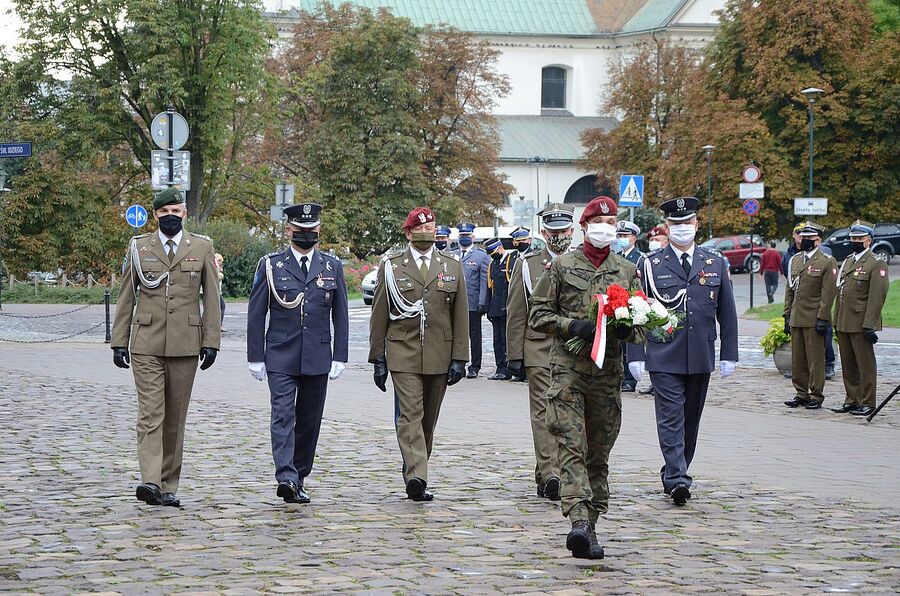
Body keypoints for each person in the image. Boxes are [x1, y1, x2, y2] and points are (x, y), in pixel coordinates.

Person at [529, 195, 644, 560]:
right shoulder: (562, 266)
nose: (605, 229)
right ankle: (577, 519)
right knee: (571, 444)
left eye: (611, 224)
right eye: (599, 223)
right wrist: (571, 325)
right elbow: (539, 316)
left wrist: (627, 329)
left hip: (607, 375)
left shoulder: (626, 270)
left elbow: (642, 321)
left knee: (599, 451)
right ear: (584, 227)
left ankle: (591, 525)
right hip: (568, 372)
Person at [111, 187, 221, 508]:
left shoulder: (201, 247)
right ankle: (150, 481)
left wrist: (211, 341)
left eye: (176, 212)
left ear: (185, 213)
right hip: (145, 342)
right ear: (155, 214)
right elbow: (127, 295)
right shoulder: (139, 248)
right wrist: (120, 341)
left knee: (175, 417)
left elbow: (211, 299)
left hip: (186, 344)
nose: (170, 217)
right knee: (150, 413)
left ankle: (169, 485)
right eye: (164, 212)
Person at [627, 196, 738, 507]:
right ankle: (678, 478)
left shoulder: (714, 262)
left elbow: (726, 312)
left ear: (697, 224)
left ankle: (675, 469)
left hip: (700, 353)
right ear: (666, 227)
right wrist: (635, 354)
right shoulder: (651, 264)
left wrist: (729, 353)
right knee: (670, 417)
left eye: (686, 223)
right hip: (664, 353)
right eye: (675, 224)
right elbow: (636, 310)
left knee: (691, 419)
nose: (681, 228)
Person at [246, 203, 349, 504]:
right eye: (301, 231)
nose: (307, 236)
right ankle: (286, 476)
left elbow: (340, 315)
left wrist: (339, 355)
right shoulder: (271, 264)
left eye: (312, 231)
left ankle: (300, 475)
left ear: (319, 231)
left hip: (317, 355)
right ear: (289, 231)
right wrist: (255, 356)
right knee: (282, 414)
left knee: (309, 420)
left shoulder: (331, 266)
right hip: (280, 353)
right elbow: (256, 313)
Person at [369, 207, 469, 501]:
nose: (427, 233)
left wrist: (460, 358)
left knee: (427, 421)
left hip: (440, 351)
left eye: (432, 228)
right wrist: (378, 358)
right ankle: (417, 476)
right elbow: (379, 315)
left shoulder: (451, 265)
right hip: (403, 351)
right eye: (420, 229)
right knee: (410, 414)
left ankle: (414, 465)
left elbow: (460, 315)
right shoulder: (392, 266)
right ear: (409, 232)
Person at [506, 203, 574, 501]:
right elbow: (516, 311)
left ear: (572, 231)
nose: (558, 236)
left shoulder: (581, 260)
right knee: (544, 413)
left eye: (563, 231)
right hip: (538, 347)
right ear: (543, 232)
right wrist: (514, 355)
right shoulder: (529, 263)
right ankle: (552, 474)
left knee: (568, 413)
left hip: (574, 349)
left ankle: (545, 472)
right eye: (553, 231)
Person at [831, 221, 890, 417]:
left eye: (859, 238)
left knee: (865, 365)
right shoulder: (849, 260)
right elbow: (841, 292)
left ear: (869, 240)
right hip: (844, 321)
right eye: (853, 238)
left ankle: (868, 401)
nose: (855, 241)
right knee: (848, 365)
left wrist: (870, 325)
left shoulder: (875, 262)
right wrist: (835, 320)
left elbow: (877, 296)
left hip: (861, 322)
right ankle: (852, 399)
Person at [782, 222, 837, 410]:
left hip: (814, 317)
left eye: (809, 239)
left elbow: (828, 293)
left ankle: (816, 394)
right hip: (797, 317)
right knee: (798, 359)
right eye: (803, 238)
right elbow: (790, 290)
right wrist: (787, 315)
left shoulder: (826, 261)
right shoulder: (795, 260)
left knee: (815, 360)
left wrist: (823, 317)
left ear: (818, 240)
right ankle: (801, 393)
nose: (805, 241)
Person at [453, 222, 490, 378]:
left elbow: (483, 282)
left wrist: (482, 302)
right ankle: (458, 365)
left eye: (467, 236)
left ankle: (475, 366)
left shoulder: (481, 256)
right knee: (456, 336)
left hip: (472, 303)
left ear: (473, 237)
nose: (464, 238)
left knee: (474, 337)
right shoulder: (451, 254)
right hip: (454, 303)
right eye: (462, 236)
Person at [638, 225, 668, 396]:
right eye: (651, 240)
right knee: (653, 349)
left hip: (669, 312)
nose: (654, 243)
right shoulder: (647, 261)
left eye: (657, 240)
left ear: (666, 241)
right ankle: (654, 382)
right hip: (652, 313)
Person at [616, 221, 643, 392]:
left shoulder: (640, 258)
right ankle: (622, 377)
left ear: (633, 238)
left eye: (625, 236)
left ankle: (630, 380)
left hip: (633, 304)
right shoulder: (617, 257)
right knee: (620, 344)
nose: (622, 239)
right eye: (619, 236)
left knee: (631, 344)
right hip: (619, 304)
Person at [485, 237, 516, 380]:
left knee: (505, 340)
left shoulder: (511, 261)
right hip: (495, 308)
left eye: (493, 251)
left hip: (507, 307)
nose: (492, 254)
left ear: (500, 248)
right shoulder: (493, 264)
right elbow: (489, 288)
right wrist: (488, 308)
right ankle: (500, 367)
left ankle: (508, 368)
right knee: (497, 340)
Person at [214, 252, 226, 331]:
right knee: (222, 306)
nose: (222, 263)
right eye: (221, 261)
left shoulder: (217, 266)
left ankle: (218, 325)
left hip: (217, 290)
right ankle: (219, 325)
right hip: (215, 290)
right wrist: (221, 274)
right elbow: (216, 276)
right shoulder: (215, 266)